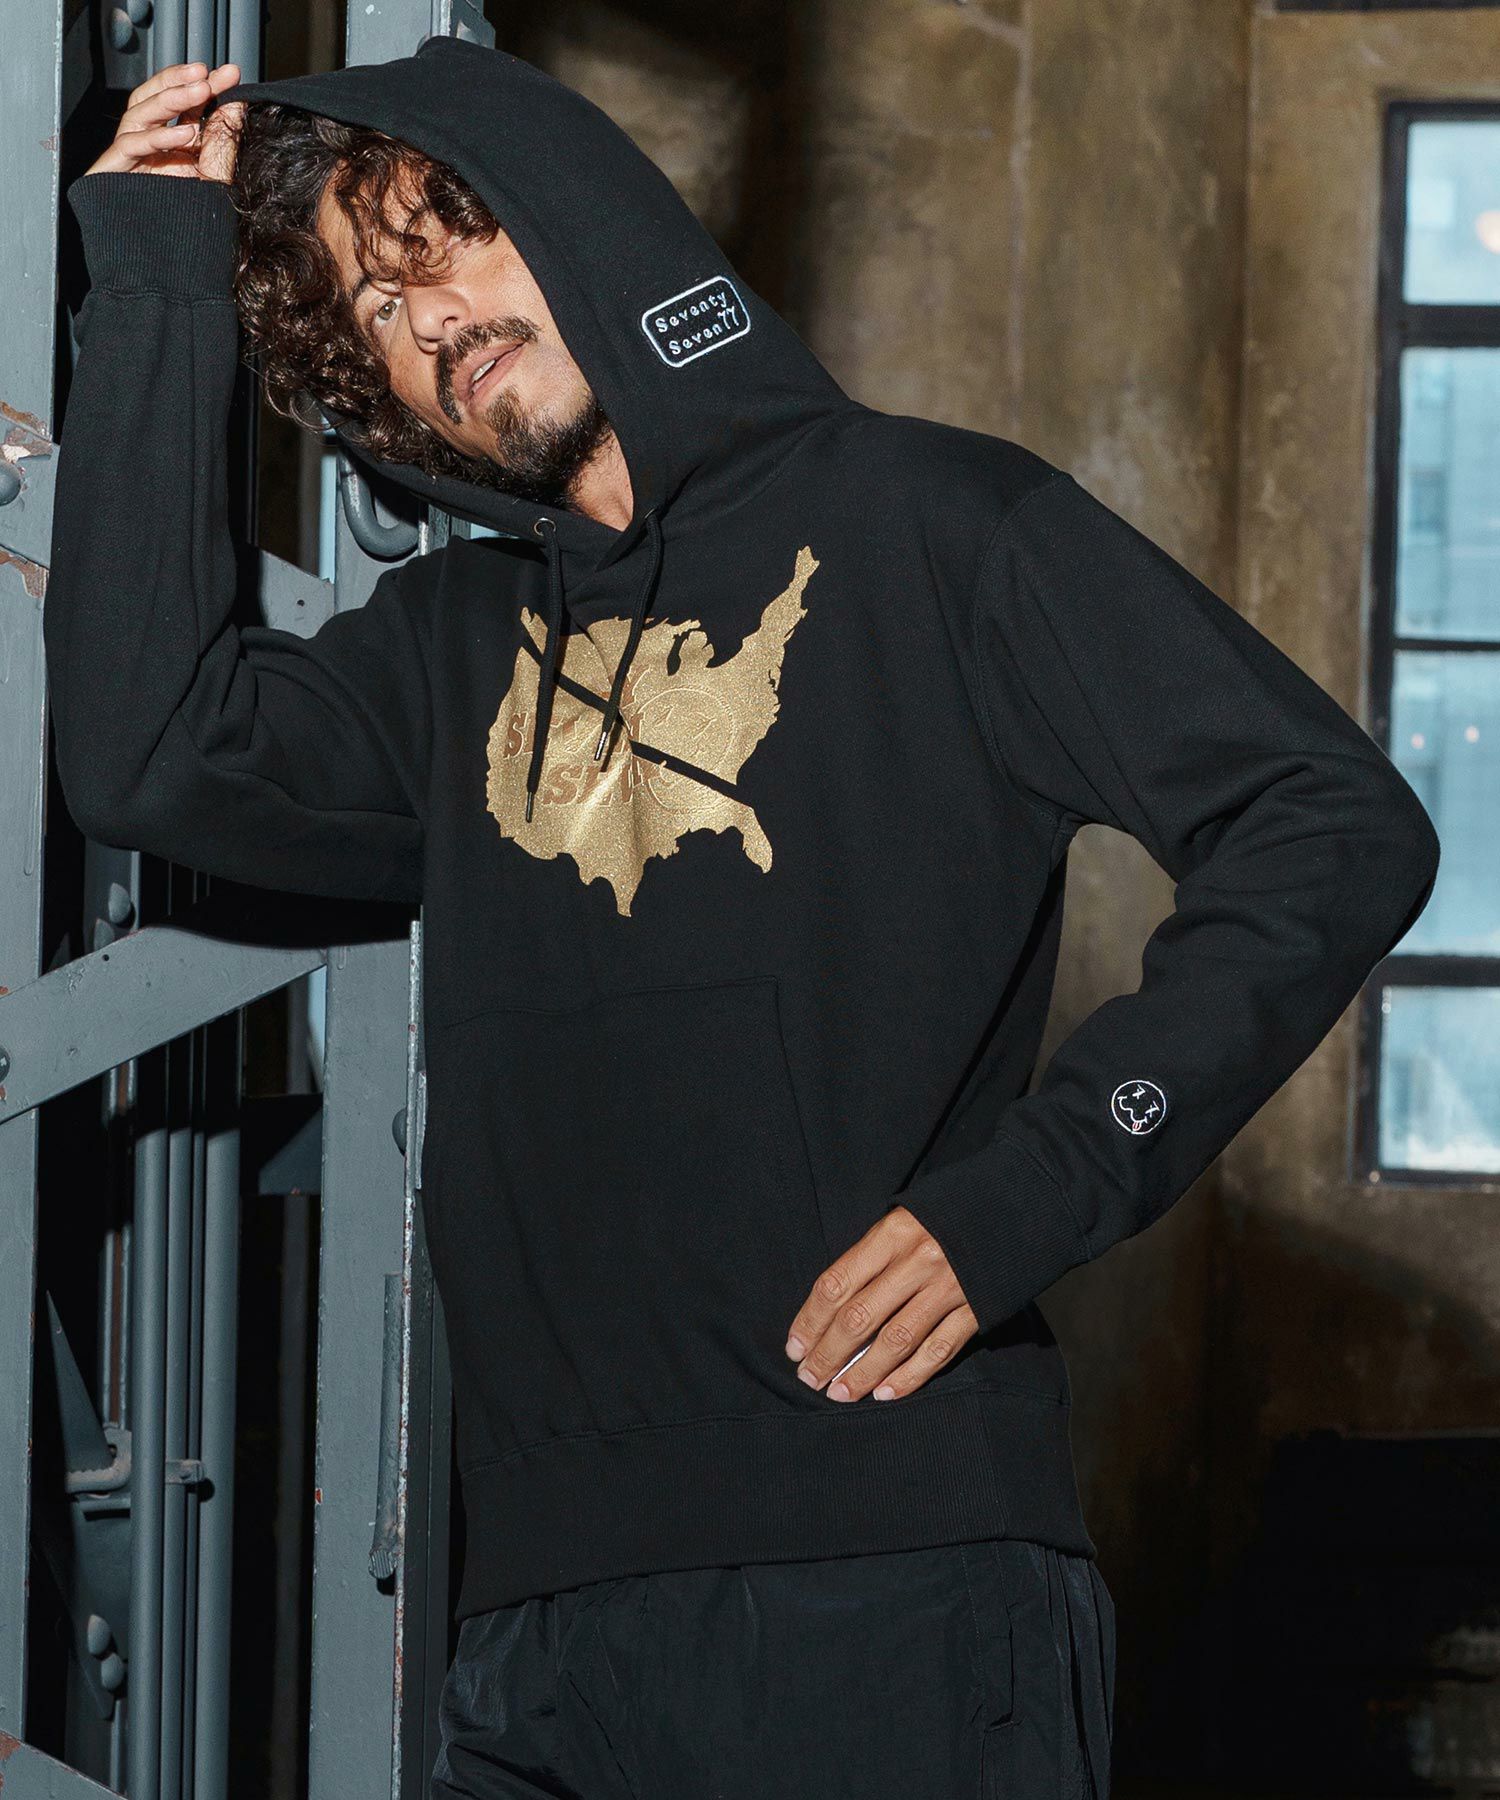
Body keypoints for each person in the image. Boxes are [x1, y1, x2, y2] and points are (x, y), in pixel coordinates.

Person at [47, 40, 1439, 1800]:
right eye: (378, 315)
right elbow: (149, 751)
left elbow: (1331, 823)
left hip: (890, 1581)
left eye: (452, 242)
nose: (436, 324)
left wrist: (1055, 1176)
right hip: (534, 1628)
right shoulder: (448, 654)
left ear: (577, 208)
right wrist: (160, 278)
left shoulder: (938, 525)